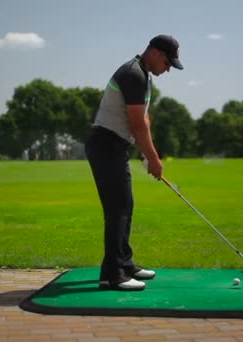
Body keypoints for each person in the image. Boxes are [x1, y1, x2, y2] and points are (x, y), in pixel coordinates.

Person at [84, 35, 184, 291]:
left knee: (125, 204)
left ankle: (123, 263)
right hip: (105, 143)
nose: (168, 68)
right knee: (118, 208)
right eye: (167, 62)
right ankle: (113, 275)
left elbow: (143, 120)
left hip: (115, 144)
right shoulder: (133, 74)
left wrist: (148, 155)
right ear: (154, 53)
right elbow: (138, 125)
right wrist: (153, 159)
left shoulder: (143, 75)